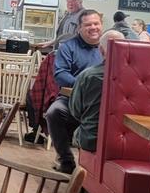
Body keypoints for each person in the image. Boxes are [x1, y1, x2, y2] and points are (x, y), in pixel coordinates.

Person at [43, 9, 105, 173]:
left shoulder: (110, 47)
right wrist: (84, 84)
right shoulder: (68, 47)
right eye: (88, 25)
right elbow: (60, 74)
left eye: (96, 23)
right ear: (79, 28)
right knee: (53, 113)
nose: (93, 27)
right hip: (72, 98)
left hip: (103, 102)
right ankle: (66, 160)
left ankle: (96, 169)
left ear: (102, 25)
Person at [70, 30, 122, 154]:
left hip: (92, 140)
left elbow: (75, 111)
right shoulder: (137, 78)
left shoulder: (87, 76)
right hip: (128, 142)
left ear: (101, 50)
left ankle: (75, 168)